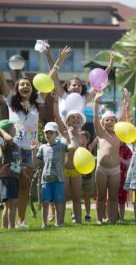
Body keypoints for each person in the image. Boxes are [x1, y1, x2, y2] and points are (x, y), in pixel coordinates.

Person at [0, 44, 55, 228]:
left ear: (32, 89)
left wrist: (58, 61)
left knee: (25, 186)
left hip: (30, 149)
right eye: (22, 84)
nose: (25, 86)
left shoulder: (37, 102)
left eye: (27, 84)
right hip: (14, 149)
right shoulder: (11, 101)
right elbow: (2, 79)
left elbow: (49, 78)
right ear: (17, 88)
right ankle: (9, 222)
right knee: (12, 186)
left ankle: (21, 221)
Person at [44, 44, 114, 120]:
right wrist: (48, 55)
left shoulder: (84, 99)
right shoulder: (63, 95)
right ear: (68, 87)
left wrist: (109, 67)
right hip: (62, 130)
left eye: (79, 85)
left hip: (76, 131)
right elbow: (54, 75)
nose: (77, 87)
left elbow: (99, 80)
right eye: (74, 85)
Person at [33, 122, 77, 228]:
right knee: (45, 202)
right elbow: (35, 163)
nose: (48, 135)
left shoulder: (61, 146)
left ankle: (58, 223)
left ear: (56, 134)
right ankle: (44, 223)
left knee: (58, 202)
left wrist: (70, 133)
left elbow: (74, 146)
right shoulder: (42, 147)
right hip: (46, 179)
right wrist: (33, 150)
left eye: (50, 132)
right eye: (46, 133)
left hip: (59, 179)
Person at [53, 96, 86, 224]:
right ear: (67, 121)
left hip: (77, 171)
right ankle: (59, 222)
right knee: (62, 198)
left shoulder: (82, 138)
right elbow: (56, 115)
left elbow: (83, 154)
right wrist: (55, 101)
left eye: (78, 117)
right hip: (64, 170)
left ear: (81, 122)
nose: (76, 119)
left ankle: (78, 221)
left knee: (77, 197)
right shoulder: (63, 133)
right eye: (73, 117)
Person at [93, 92, 125, 225]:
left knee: (113, 196)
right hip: (101, 169)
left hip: (115, 170)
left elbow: (123, 119)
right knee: (100, 196)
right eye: (107, 120)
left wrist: (126, 103)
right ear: (103, 122)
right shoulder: (100, 133)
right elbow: (95, 118)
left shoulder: (119, 134)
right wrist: (96, 103)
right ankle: (99, 219)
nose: (110, 122)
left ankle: (112, 219)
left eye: (112, 120)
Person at [0, 120, 21, 229]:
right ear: (8, 131)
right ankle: (11, 226)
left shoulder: (14, 145)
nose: (15, 129)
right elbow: (9, 138)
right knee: (12, 202)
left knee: (10, 203)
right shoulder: (5, 142)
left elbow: (17, 161)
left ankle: (5, 227)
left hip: (13, 175)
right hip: (7, 174)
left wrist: (24, 173)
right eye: (13, 128)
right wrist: (0, 131)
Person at [80, 130, 94, 222]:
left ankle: (88, 214)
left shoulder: (89, 147)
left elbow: (97, 139)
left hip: (88, 176)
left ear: (87, 139)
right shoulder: (76, 148)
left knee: (87, 196)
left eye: (82, 137)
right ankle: (74, 214)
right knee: (76, 196)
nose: (80, 139)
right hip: (77, 176)